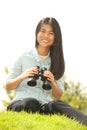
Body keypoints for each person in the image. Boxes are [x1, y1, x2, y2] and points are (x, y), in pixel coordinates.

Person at [5, 17, 87, 125]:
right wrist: (23, 76)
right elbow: (8, 86)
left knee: (56, 104)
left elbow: (58, 95)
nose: (46, 36)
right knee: (30, 102)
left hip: (44, 106)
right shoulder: (24, 57)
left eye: (51, 33)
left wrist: (52, 81)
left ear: (55, 37)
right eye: (42, 31)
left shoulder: (57, 61)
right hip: (22, 102)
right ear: (37, 33)